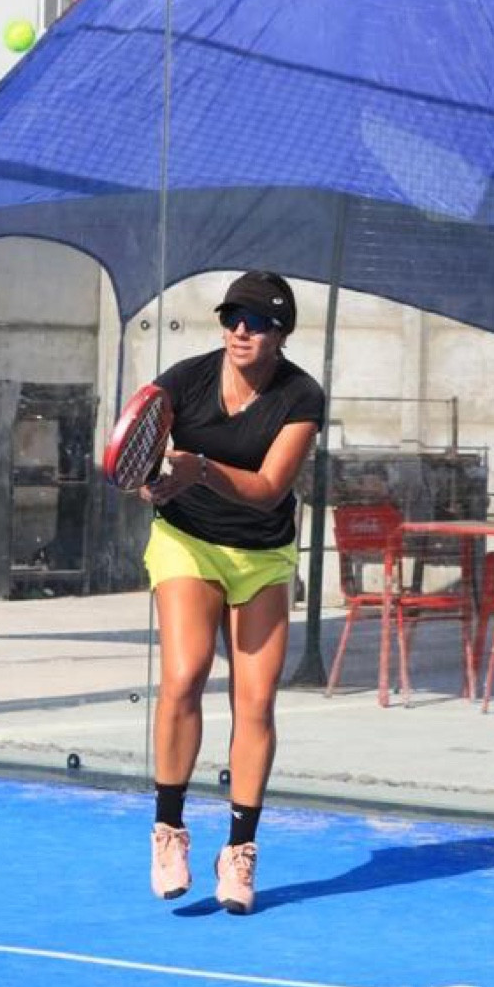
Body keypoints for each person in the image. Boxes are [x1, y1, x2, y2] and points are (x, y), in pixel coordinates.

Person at [140, 270, 323, 915]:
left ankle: (239, 851)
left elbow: (269, 489)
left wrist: (200, 468)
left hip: (262, 556)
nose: (241, 331)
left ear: (282, 333)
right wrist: (151, 481)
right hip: (186, 542)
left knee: (256, 701)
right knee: (184, 675)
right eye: (231, 318)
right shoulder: (182, 381)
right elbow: (140, 458)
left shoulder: (301, 396)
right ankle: (169, 831)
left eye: (258, 322)